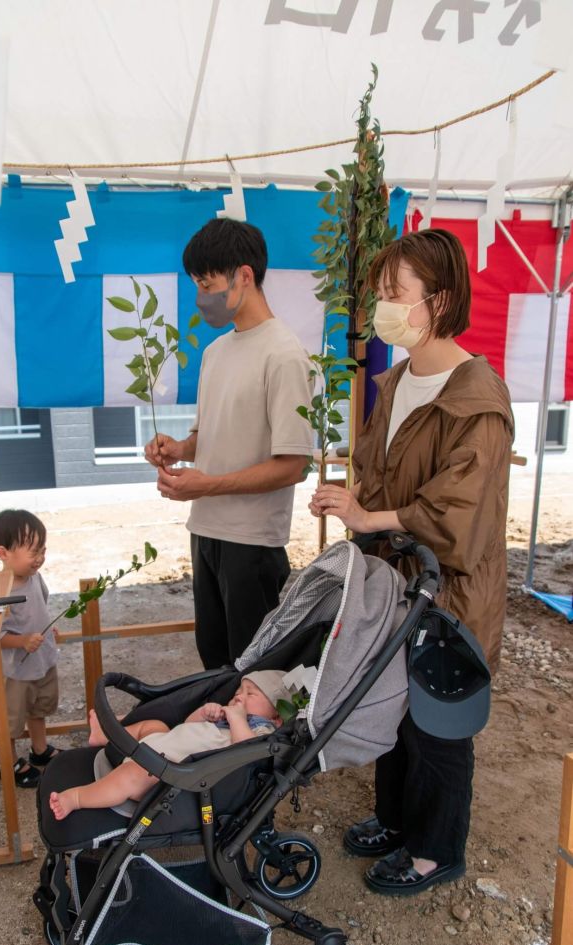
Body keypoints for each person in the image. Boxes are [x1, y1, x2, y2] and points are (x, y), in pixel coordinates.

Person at [310, 228, 514, 896]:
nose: (382, 306)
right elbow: (373, 466)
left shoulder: (476, 397)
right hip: (397, 585)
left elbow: (460, 507)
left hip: (449, 592)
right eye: (380, 293)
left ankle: (434, 851)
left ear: (439, 300)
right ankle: (395, 820)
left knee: (438, 725)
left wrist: (372, 519)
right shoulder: (395, 380)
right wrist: (351, 498)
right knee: (393, 707)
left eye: (395, 293)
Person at [144, 218, 314, 670]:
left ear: (243, 275)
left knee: (252, 673)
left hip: (252, 542)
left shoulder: (284, 354)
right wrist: (178, 448)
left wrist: (207, 485)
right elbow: (211, 438)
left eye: (208, 283)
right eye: (197, 284)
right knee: (215, 662)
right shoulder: (216, 352)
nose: (202, 297)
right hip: (206, 532)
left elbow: (292, 466)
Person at [49, 670, 290, 820]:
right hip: (164, 743)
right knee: (154, 724)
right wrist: (204, 713)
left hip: (169, 774)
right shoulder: (228, 717)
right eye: (239, 690)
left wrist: (237, 718)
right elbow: (186, 725)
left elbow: (245, 756)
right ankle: (104, 736)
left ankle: (78, 798)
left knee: (132, 775)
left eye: (251, 694)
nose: (239, 696)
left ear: (276, 717)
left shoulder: (262, 732)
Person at [0, 509, 60, 788]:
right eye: (33, 551)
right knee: (11, 719)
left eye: (43, 549)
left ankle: (39, 750)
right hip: (16, 670)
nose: (40, 557)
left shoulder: (34, 578)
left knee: (39, 707)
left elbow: (41, 605)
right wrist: (22, 641)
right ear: (3, 552)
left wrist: (48, 627)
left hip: (41, 659)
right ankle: (7, 762)